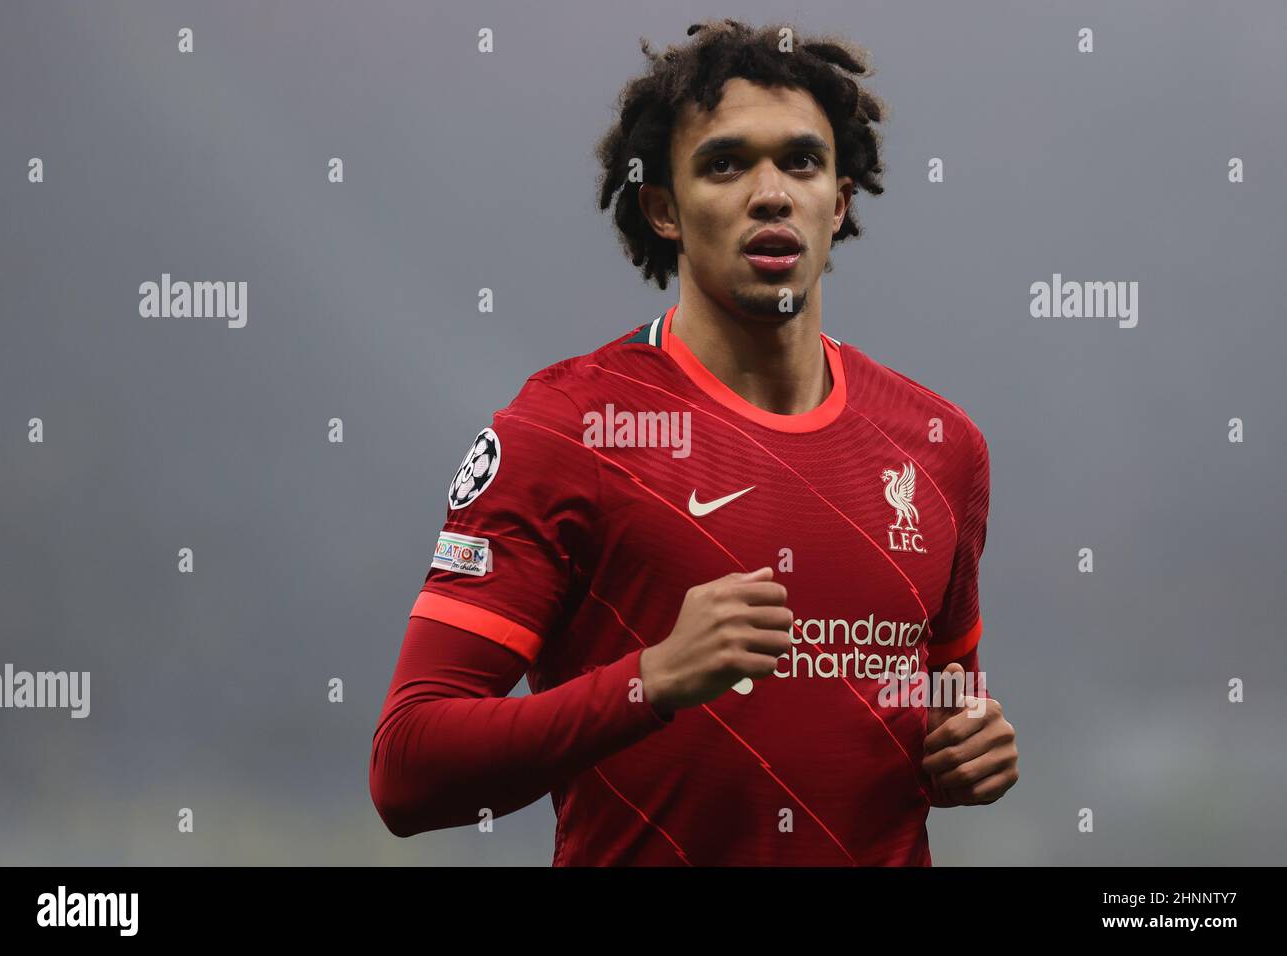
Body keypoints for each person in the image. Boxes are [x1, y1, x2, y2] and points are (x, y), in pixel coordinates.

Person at [370, 18, 1017, 865]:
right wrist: (652, 682)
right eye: (725, 163)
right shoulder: (568, 431)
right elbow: (409, 770)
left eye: (801, 161)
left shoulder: (939, 446)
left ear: (841, 199)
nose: (772, 192)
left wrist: (966, 747)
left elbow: (936, 705)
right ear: (662, 209)